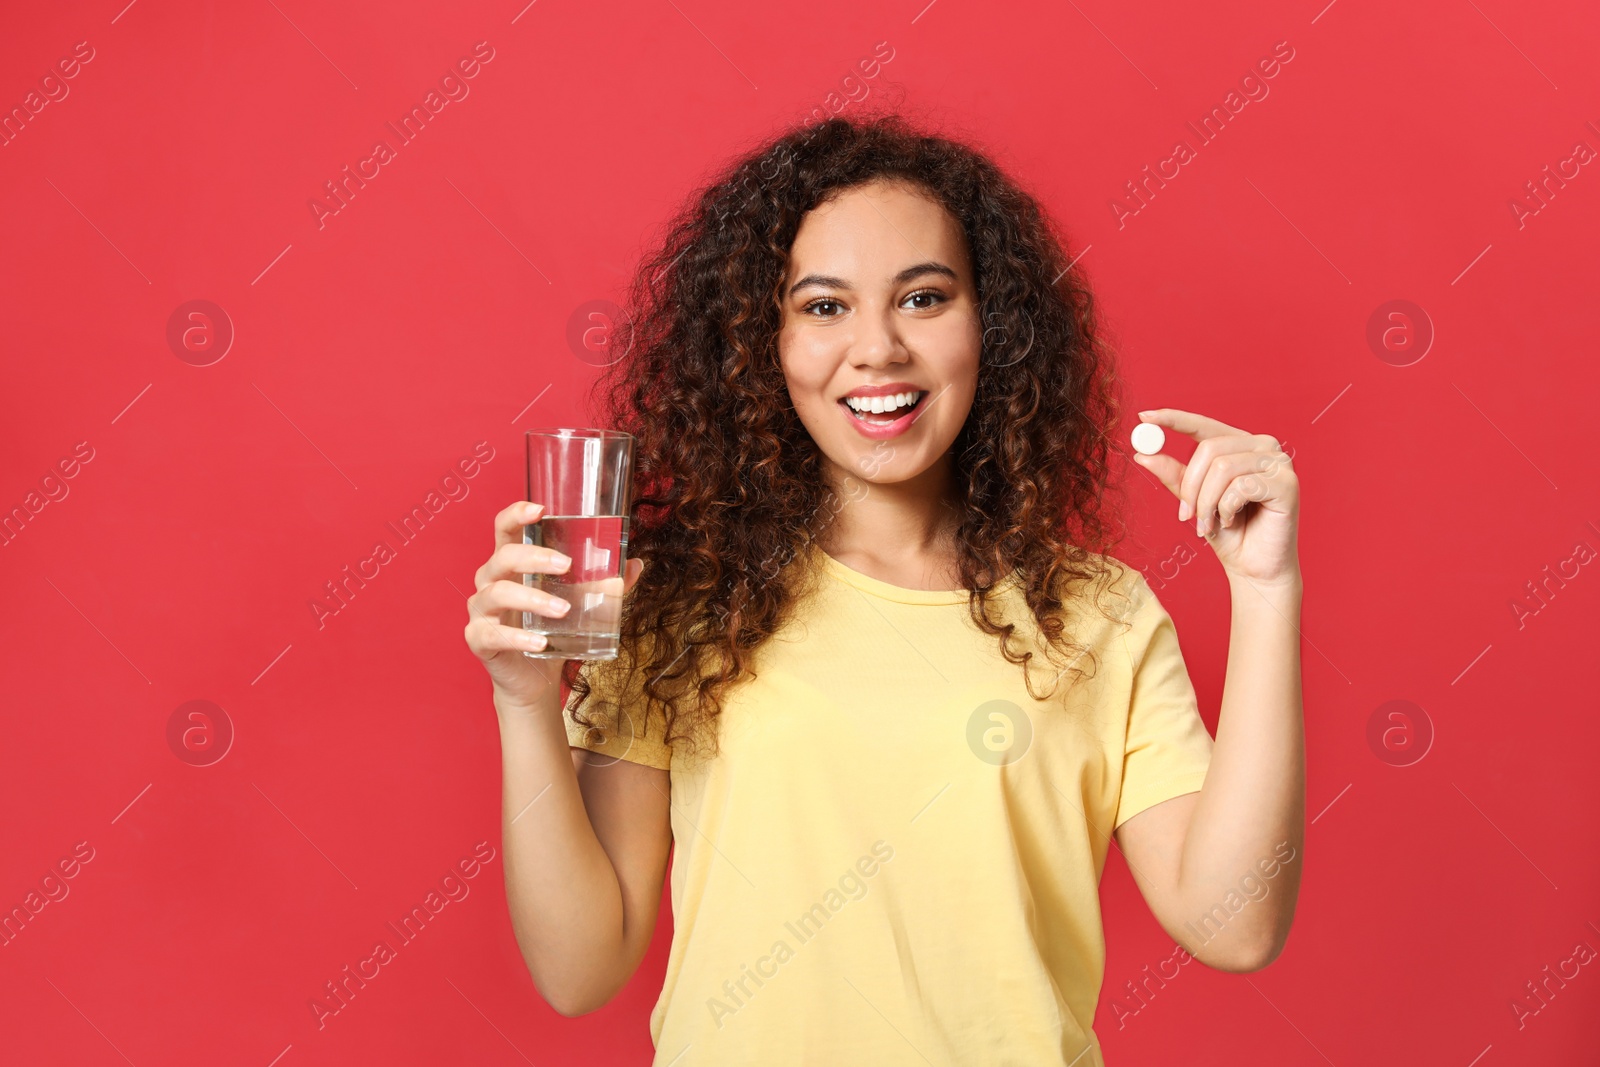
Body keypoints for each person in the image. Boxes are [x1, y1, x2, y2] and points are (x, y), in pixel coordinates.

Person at [463, 113, 1305, 1066]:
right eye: (824, 307)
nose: (877, 349)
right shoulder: (679, 602)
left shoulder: (1097, 615)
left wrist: (1267, 590)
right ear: (761, 343)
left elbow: (1234, 924)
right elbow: (580, 968)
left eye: (924, 298)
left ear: (994, 324)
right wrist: (523, 702)